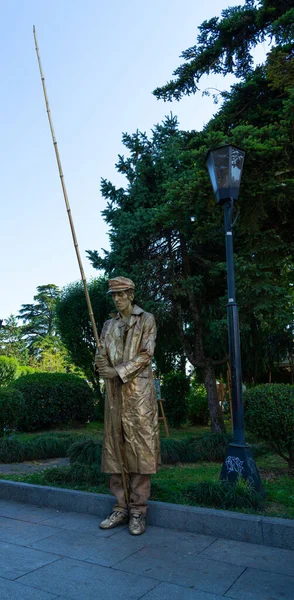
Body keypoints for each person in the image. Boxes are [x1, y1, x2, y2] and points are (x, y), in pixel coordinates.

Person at [95, 276, 160, 535]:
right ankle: (120, 507)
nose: (117, 298)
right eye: (113, 295)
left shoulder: (146, 319)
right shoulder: (108, 325)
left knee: (140, 449)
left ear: (131, 294)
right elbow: (101, 354)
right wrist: (100, 364)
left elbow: (146, 354)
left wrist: (117, 371)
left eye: (121, 293)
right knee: (115, 448)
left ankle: (138, 511)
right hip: (113, 395)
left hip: (138, 394)